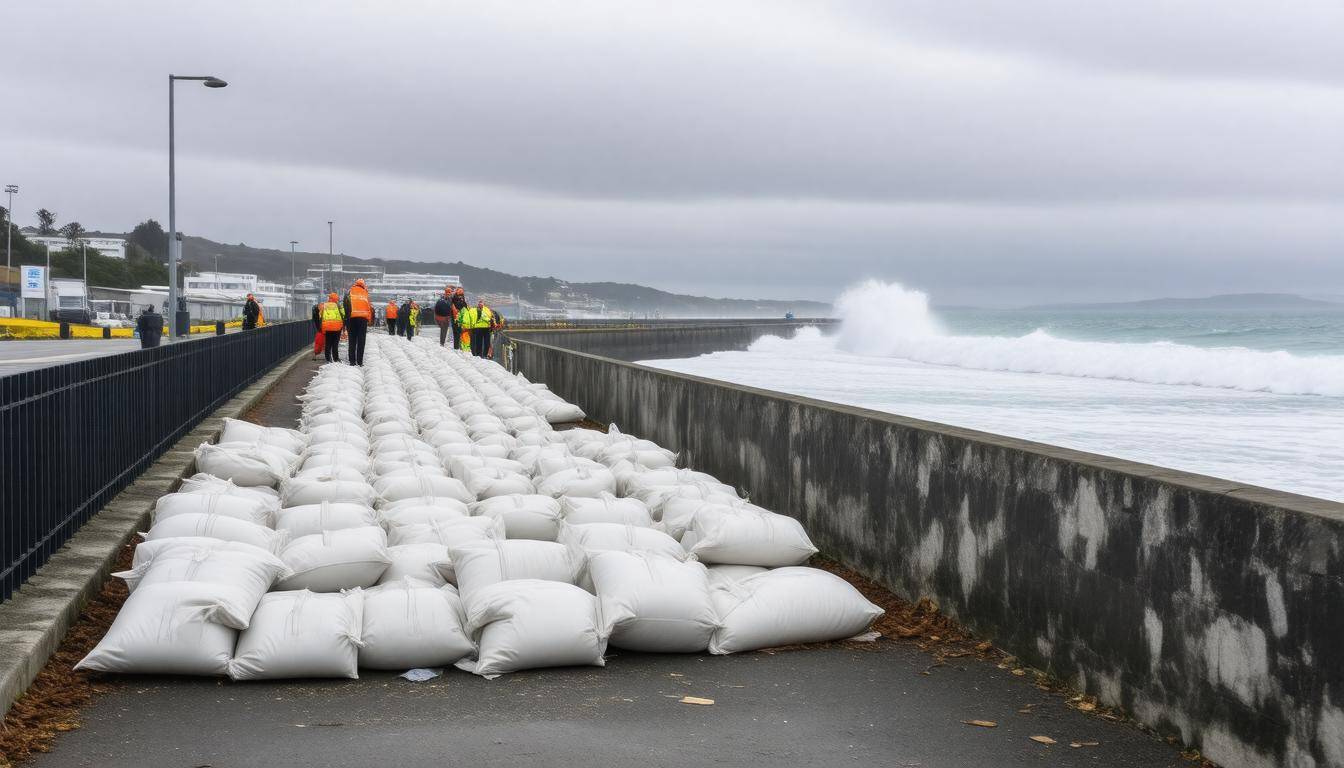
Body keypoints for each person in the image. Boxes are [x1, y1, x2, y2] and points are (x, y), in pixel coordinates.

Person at [342, 278, 373, 366]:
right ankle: (360, 362)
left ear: (355, 284)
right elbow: (369, 307)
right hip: (363, 319)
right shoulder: (365, 293)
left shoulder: (349, 292)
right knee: (361, 341)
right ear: (363, 285)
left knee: (352, 340)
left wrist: (346, 321)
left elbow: (345, 306)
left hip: (351, 319)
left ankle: (352, 362)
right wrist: (369, 320)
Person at [318, 292, 345, 363]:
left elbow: (320, 315)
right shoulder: (339, 305)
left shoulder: (324, 305)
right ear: (336, 299)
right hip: (337, 327)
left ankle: (328, 359)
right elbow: (344, 314)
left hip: (327, 327)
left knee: (328, 343)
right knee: (335, 344)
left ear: (329, 298)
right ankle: (336, 358)